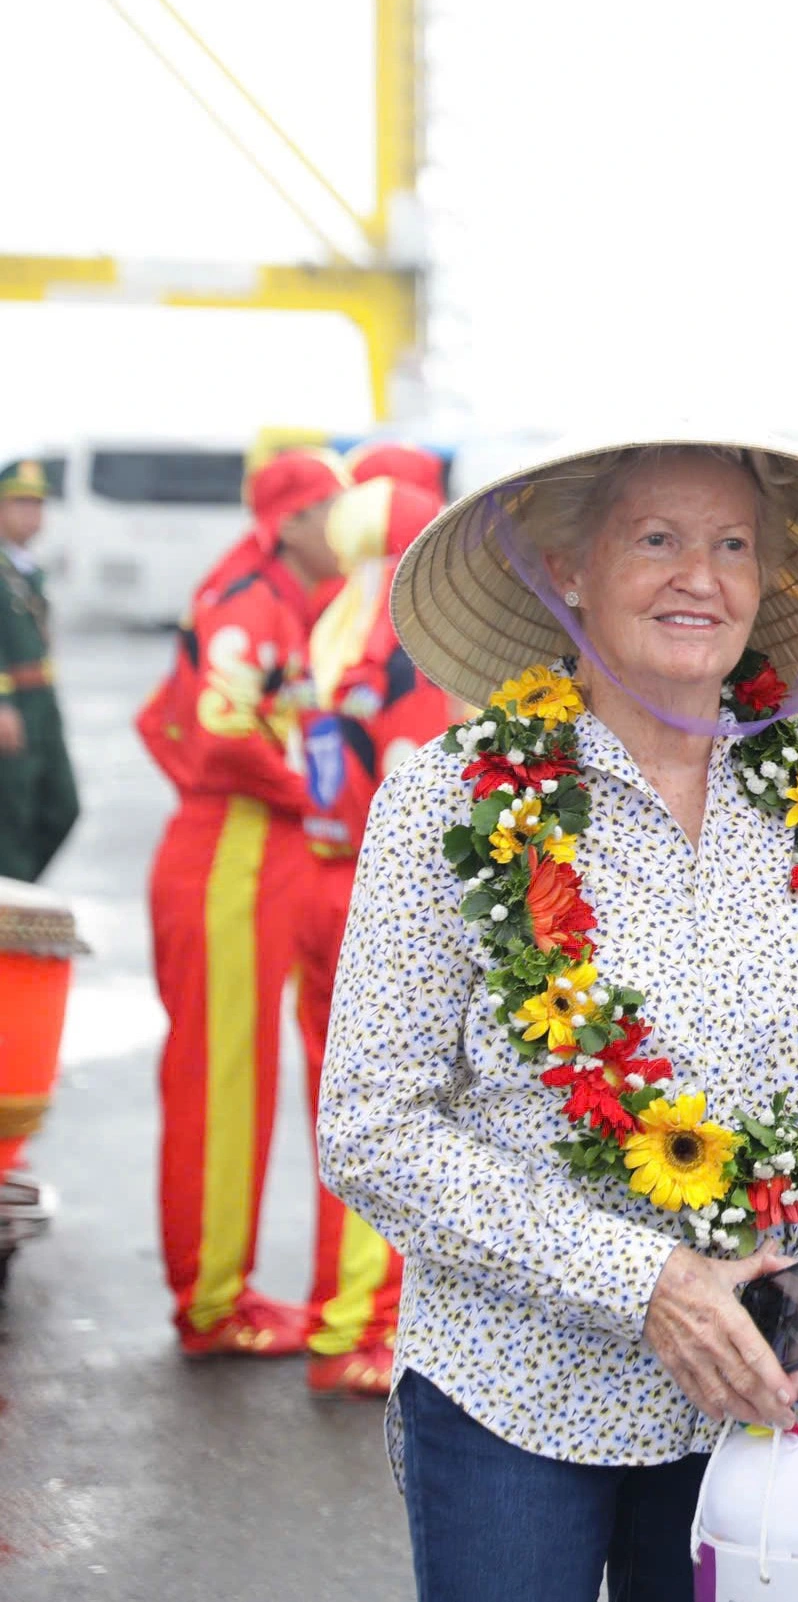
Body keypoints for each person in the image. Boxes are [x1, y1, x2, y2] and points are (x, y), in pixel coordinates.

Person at [318, 436, 798, 1601]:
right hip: (511, 1398)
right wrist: (645, 1280)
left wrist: (789, 1309)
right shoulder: (448, 798)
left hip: (756, 1408)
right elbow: (370, 1125)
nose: (697, 575)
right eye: (655, 538)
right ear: (568, 571)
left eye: (731, 544)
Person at [137, 446, 351, 1354]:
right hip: (230, 854)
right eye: (331, 509)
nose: (347, 528)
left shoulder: (279, 596)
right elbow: (221, 733)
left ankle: (220, 1291)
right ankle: (212, 1302)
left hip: (257, 852)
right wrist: (324, 796)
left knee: (241, 1076)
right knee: (223, 1083)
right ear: (292, 521)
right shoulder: (249, 601)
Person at [291, 461, 454, 1398]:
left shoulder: (332, 623)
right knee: (388, 1120)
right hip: (373, 899)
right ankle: (357, 1323)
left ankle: (337, 1311)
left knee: (341, 1111)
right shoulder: (399, 645)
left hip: (323, 877)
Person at [0, 458, 77, 881]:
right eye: (20, 503)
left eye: (38, 503)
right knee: (12, 814)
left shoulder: (26, 570)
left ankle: (18, 893)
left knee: (61, 806)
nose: (33, 513)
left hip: (41, 702)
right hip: (13, 707)